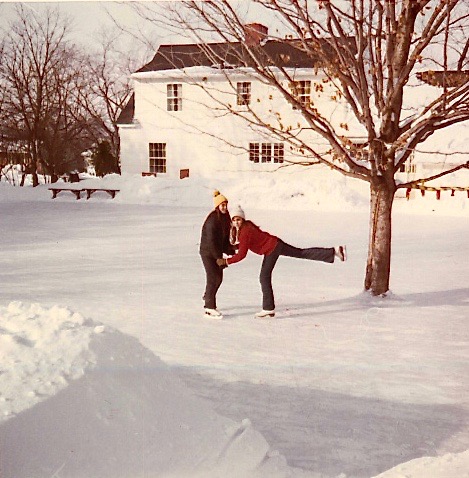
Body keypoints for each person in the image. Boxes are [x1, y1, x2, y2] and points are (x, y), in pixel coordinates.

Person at [217, 205, 346, 318]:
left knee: (264, 277)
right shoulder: (247, 227)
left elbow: (242, 255)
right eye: (234, 220)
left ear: (242, 219)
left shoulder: (245, 231)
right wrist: (235, 247)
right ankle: (333, 251)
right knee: (300, 253)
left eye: (238, 219)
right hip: (274, 244)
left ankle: (268, 309)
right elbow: (248, 244)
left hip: (271, 249)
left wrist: (226, 261)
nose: (236, 222)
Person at [199, 190, 234, 319]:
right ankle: (209, 307)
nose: (225, 207)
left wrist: (230, 249)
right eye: (222, 205)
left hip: (216, 252)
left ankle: (208, 295)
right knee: (213, 277)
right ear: (217, 206)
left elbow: (223, 238)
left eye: (226, 204)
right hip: (208, 252)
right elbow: (211, 241)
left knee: (218, 278)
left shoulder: (225, 218)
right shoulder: (212, 220)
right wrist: (218, 258)